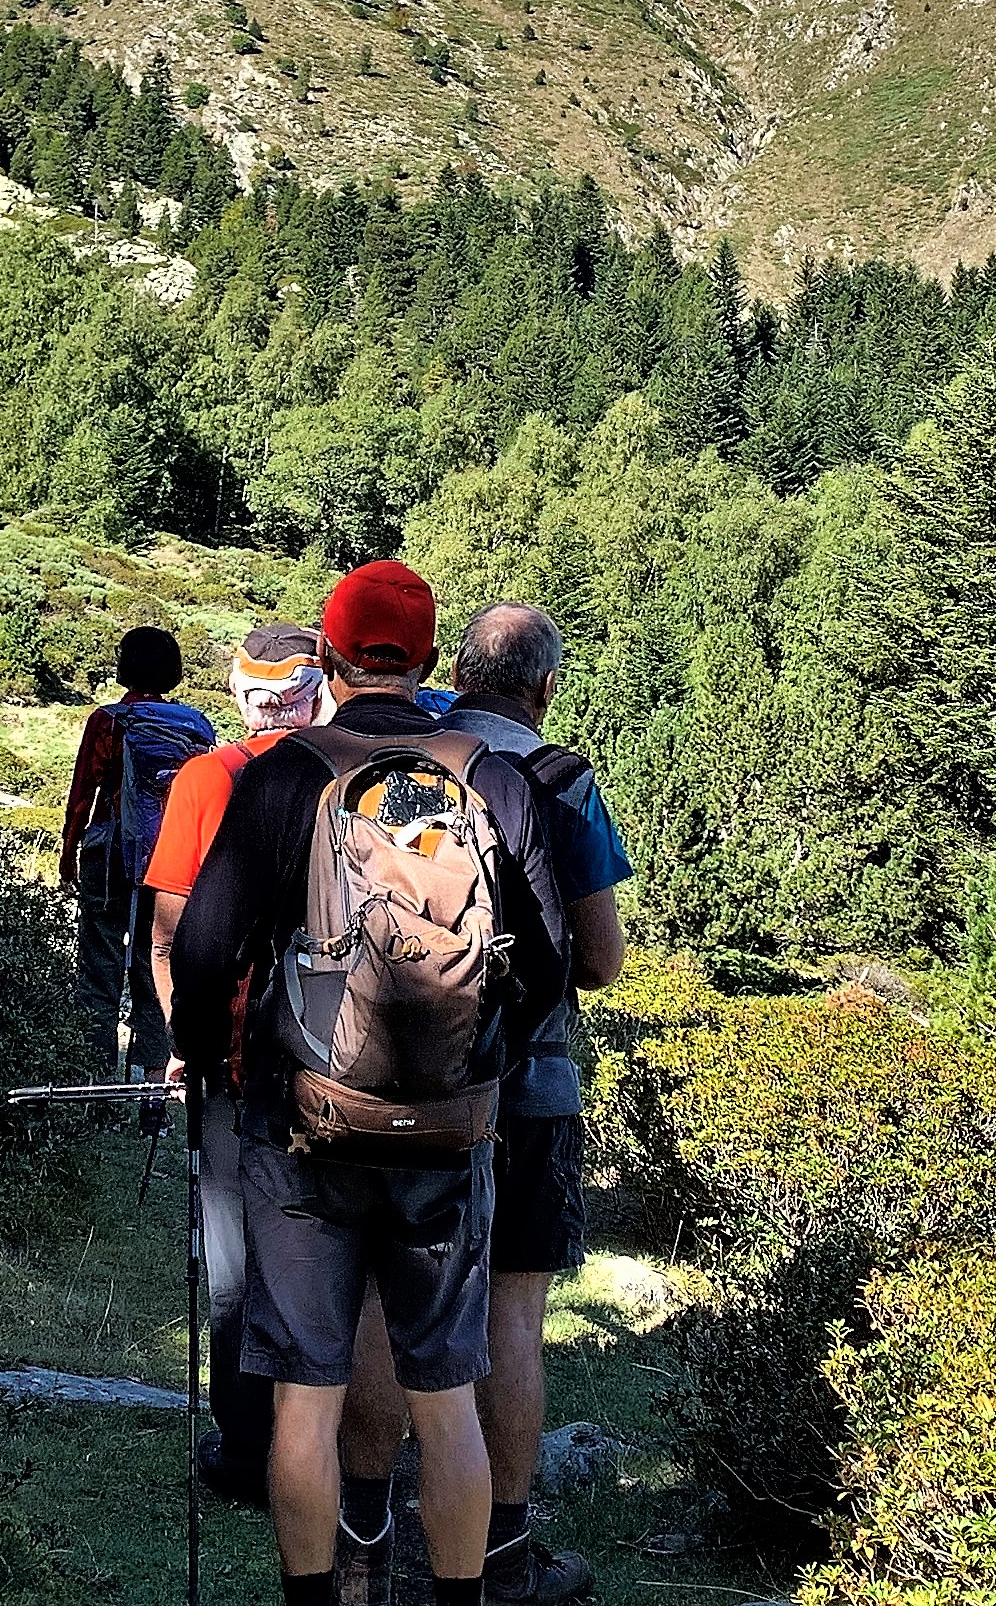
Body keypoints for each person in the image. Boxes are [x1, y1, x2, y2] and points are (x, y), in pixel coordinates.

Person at [173, 563, 574, 1606]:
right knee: (446, 1392)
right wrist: (479, 1063)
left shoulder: (284, 772)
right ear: (431, 662)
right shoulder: (493, 775)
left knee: (305, 1393)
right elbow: (553, 961)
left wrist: (219, 1063)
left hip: (303, 1122)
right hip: (450, 1132)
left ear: (333, 660)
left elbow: (208, 946)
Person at [332, 604, 628, 1603]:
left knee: (380, 1295)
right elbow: (601, 957)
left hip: (391, 1078)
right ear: (544, 686)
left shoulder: (400, 758)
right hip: (526, 1089)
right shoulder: (559, 777)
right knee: (512, 1311)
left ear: (454, 670)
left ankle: (363, 1531)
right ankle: (501, 1551)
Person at [145, 623, 330, 1507]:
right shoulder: (364, 768)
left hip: (231, 1063)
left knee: (233, 1261)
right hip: (349, 1066)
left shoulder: (208, 778)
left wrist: (185, 1045)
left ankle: (247, 1446)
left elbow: (170, 935)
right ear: (314, 685)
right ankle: (334, 1445)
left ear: (241, 689)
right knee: (335, 1251)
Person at [62, 626, 215, 1079]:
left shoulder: (107, 721)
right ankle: (152, 1093)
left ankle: (95, 1088)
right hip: (171, 859)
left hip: (109, 856)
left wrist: (68, 853)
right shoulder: (195, 725)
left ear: (123, 668)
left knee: (98, 969)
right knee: (155, 970)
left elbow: (82, 794)